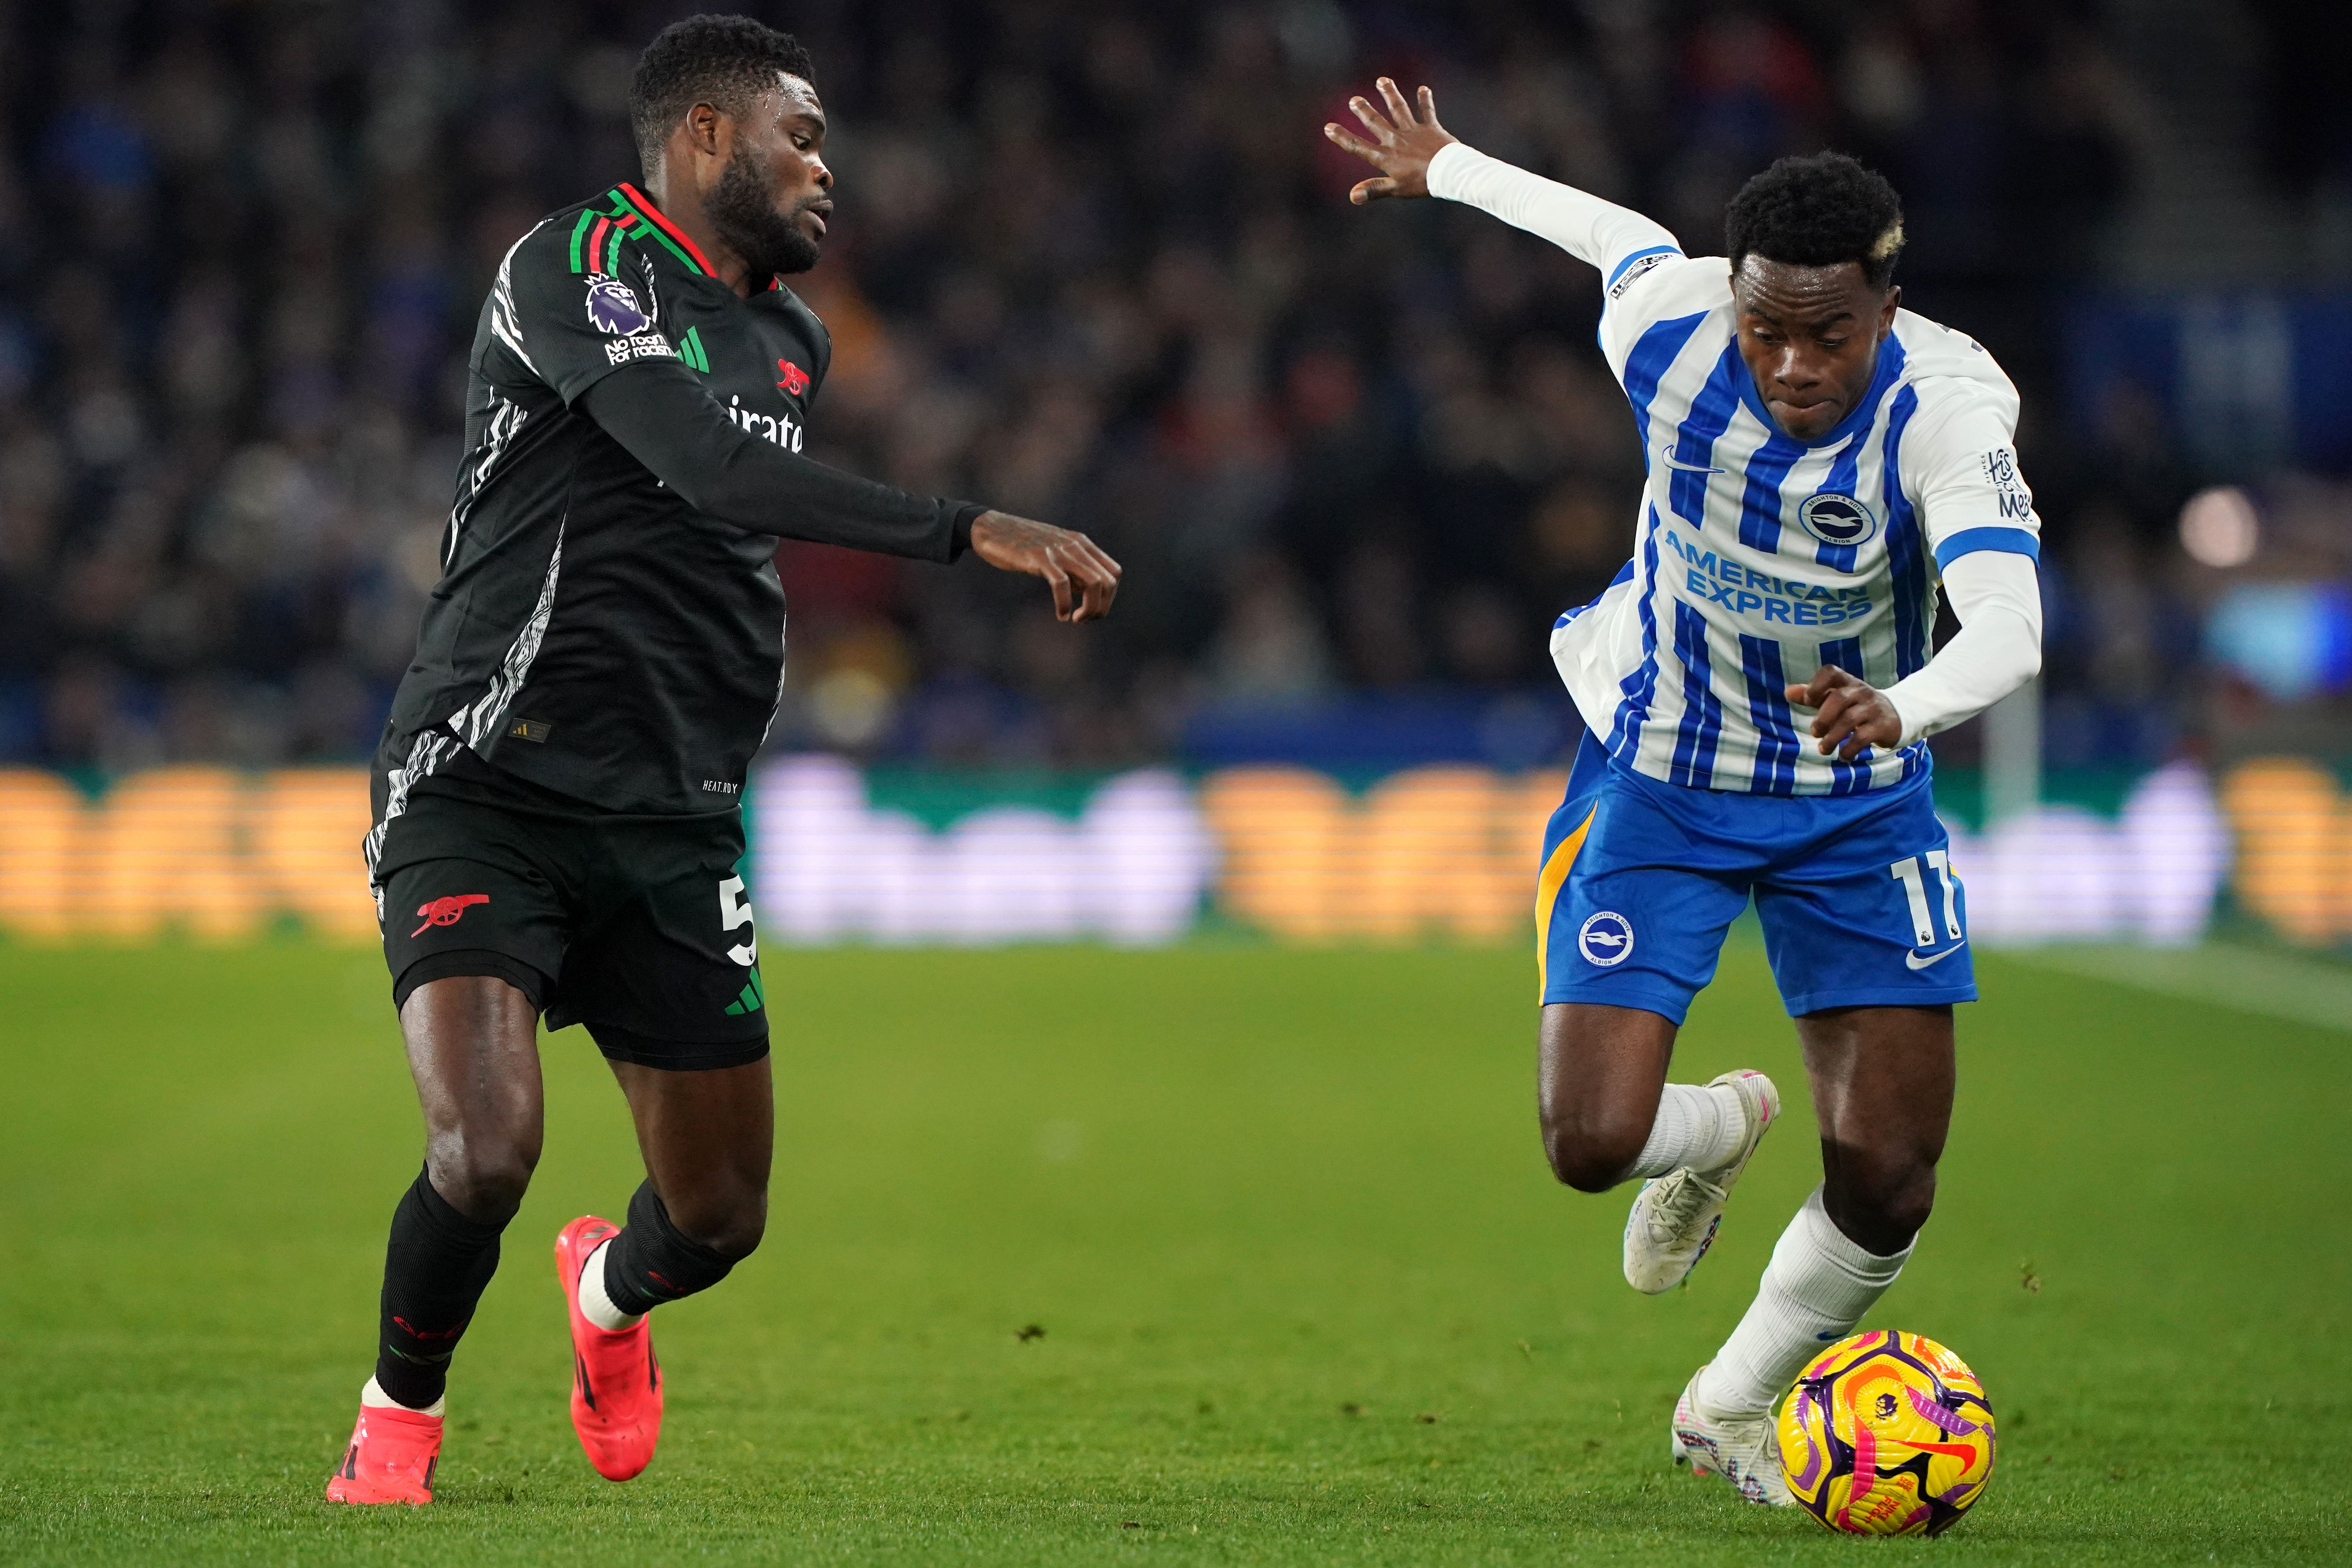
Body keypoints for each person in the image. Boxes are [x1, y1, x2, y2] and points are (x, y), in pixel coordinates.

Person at [327, 15, 1121, 1505]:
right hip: (487, 776)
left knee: (719, 1216)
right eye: (800, 138)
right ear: (705, 138)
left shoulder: (795, 337)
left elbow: (726, 536)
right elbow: (706, 465)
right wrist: (967, 528)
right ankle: (399, 1413)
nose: (828, 170)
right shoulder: (572, 268)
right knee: (487, 1150)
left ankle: (607, 1300)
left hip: (676, 814)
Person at [1328, 82, 2042, 1504]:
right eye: (1765, 327)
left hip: (1856, 794)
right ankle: (1718, 1129)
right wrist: (1451, 164)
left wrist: (1901, 705)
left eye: (1826, 333)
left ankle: (1727, 1404)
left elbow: (2013, 628)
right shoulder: (1672, 327)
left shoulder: (1949, 408)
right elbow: (1612, 235)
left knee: (1892, 1174)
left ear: (1886, 305)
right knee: (1590, 1143)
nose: (1788, 362)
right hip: (1660, 767)